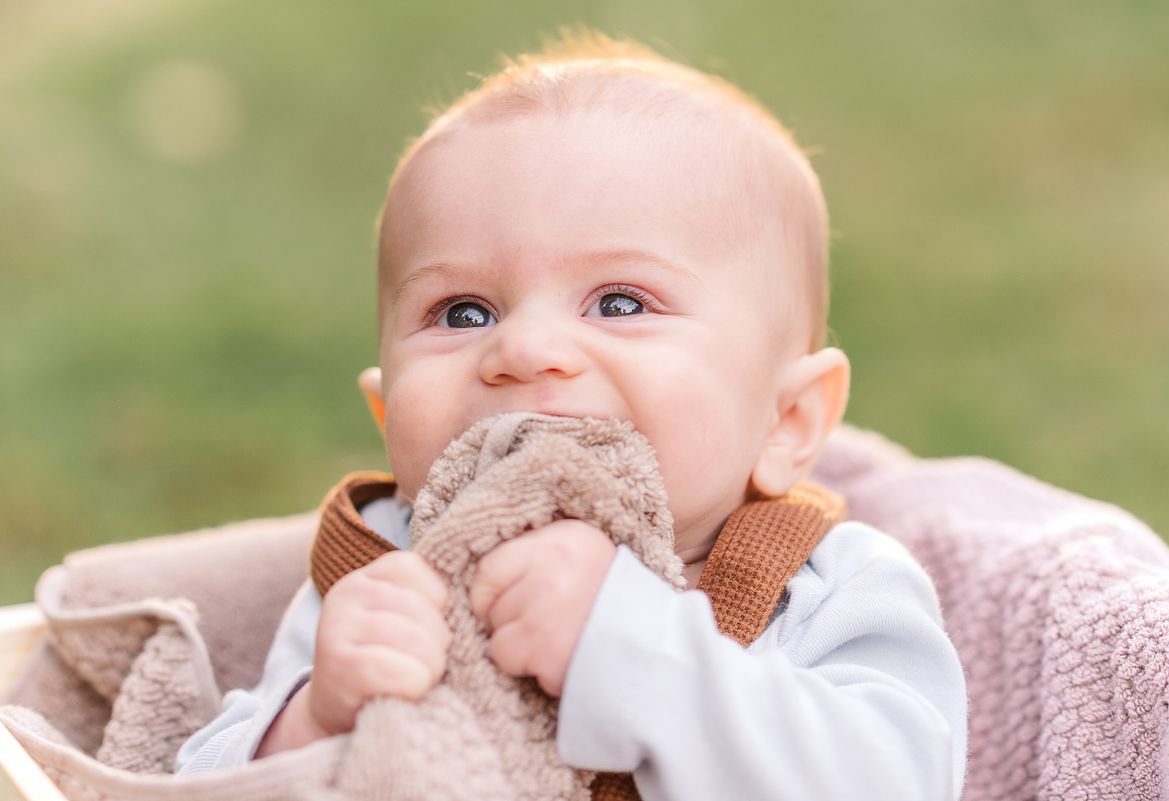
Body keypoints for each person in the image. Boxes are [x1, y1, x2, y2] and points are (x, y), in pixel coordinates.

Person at [177, 30, 968, 800]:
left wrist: (636, 648)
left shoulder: (826, 587)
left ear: (787, 421)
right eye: (462, 312)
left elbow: (899, 778)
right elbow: (190, 782)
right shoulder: (384, 564)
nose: (524, 346)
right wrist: (311, 722)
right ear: (388, 413)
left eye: (619, 302)